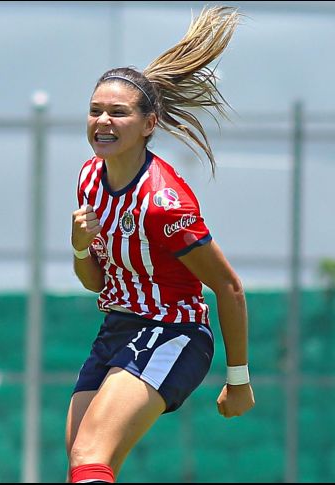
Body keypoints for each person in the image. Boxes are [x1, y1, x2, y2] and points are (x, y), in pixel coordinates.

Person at [66, 6, 254, 483]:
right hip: (117, 328)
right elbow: (96, 283)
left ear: (149, 124)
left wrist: (238, 381)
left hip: (172, 332)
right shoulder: (90, 178)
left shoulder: (164, 205)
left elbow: (228, 287)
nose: (103, 121)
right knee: (83, 461)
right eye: (95, 110)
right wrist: (80, 248)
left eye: (118, 112)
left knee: (90, 451)